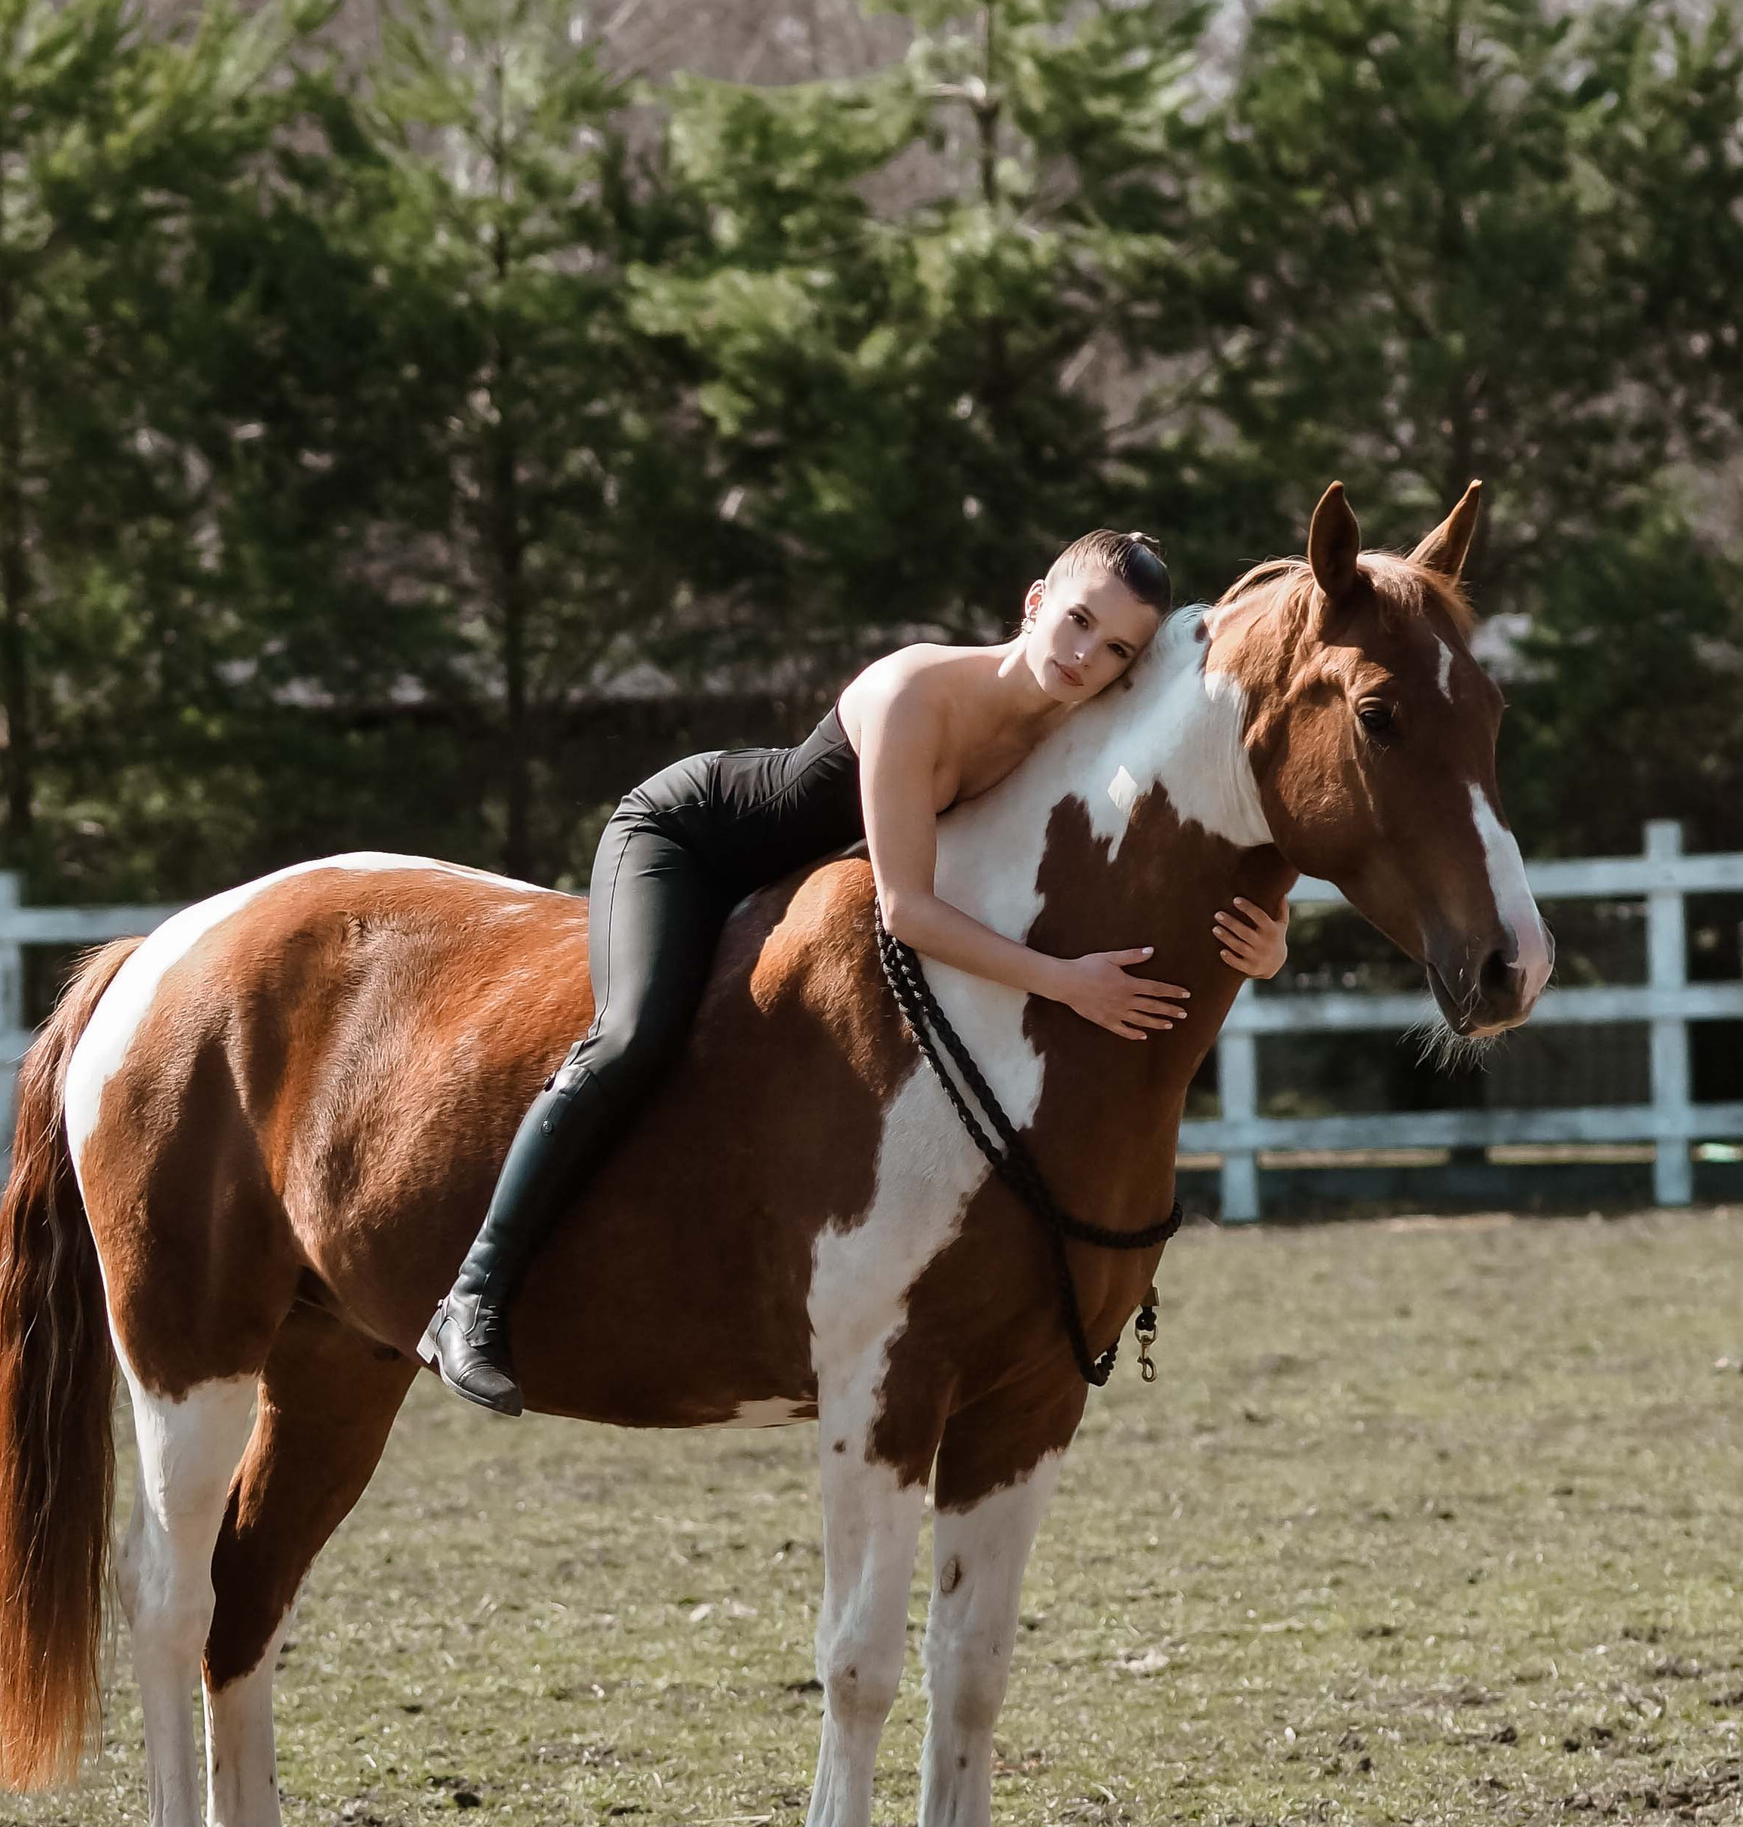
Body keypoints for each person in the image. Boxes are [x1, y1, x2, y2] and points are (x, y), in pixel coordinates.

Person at [419, 530, 1291, 1415]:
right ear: (1034, 603)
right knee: (634, 1033)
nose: (1084, 656)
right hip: (687, 842)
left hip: (795, 885)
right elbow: (907, 908)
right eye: (1075, 621)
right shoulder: (919, 691)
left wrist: (1270, 934)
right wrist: (1065, 980)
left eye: (1116, 650)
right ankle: (472, 1299)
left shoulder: (1074, 719)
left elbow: (1180, 816)